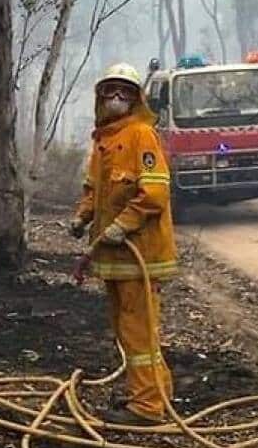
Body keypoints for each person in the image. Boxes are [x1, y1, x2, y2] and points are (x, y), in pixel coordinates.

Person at [69, 62, 180, 426]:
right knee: (128, 328)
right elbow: (94, 190)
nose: (117, 98)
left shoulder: (141, 136)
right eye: (110, 91)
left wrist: (123, 225)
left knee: (137, 329)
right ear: (100, 96)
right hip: (113, 255)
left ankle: (147, 407)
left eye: (125, 93)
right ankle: (156, 392)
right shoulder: (104, 140)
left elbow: (155, 193)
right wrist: (82, 217)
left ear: (136, 99)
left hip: (140, 254)